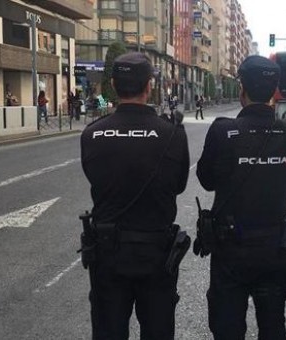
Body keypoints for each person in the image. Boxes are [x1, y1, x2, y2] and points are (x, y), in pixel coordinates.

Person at [80, 52, 190, 340]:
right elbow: (178, 185)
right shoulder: (173, 134)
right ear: (149, 86)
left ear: (113, 84)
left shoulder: (92, 134)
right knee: (157, 331)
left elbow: (95, 178)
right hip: (156, 254)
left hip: (108, 253)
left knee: (108, 332)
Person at [196, 55, 286, 340]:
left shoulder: (222, 131)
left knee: (228, 329)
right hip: (273, 249)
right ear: (274, 92)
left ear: (241, 89)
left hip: (231, 252)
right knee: (273, 329)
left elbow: (206, 181)